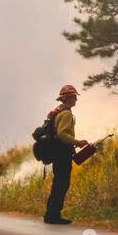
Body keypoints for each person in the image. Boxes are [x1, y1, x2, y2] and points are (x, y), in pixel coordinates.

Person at [43, 84, 89, 225]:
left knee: (58, 183)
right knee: (62, 184)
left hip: (58, 152)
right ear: (67, 98)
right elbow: (62, 134)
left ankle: (50, 214)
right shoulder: (67, 114)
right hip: (63, 152)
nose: (76, 99)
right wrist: (78, 142)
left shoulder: (58, 111)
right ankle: (54, 216)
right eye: (74, 97)